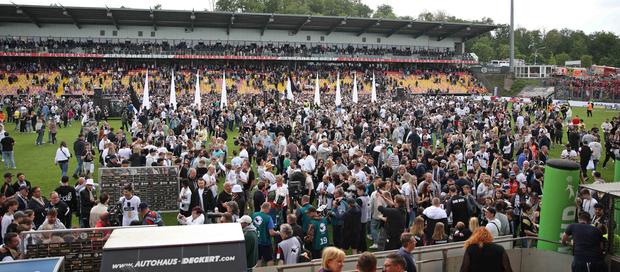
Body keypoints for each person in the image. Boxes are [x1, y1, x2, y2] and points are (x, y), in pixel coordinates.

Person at [252, 202, 278, 266]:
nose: (269, 211)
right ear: (267, 208)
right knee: (269, 260)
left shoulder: (254, 215)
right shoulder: (268, 218)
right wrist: (277, 233)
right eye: (269, 209)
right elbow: (271, 233)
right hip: (265, 242)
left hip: (256, 241)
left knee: (258, 259)